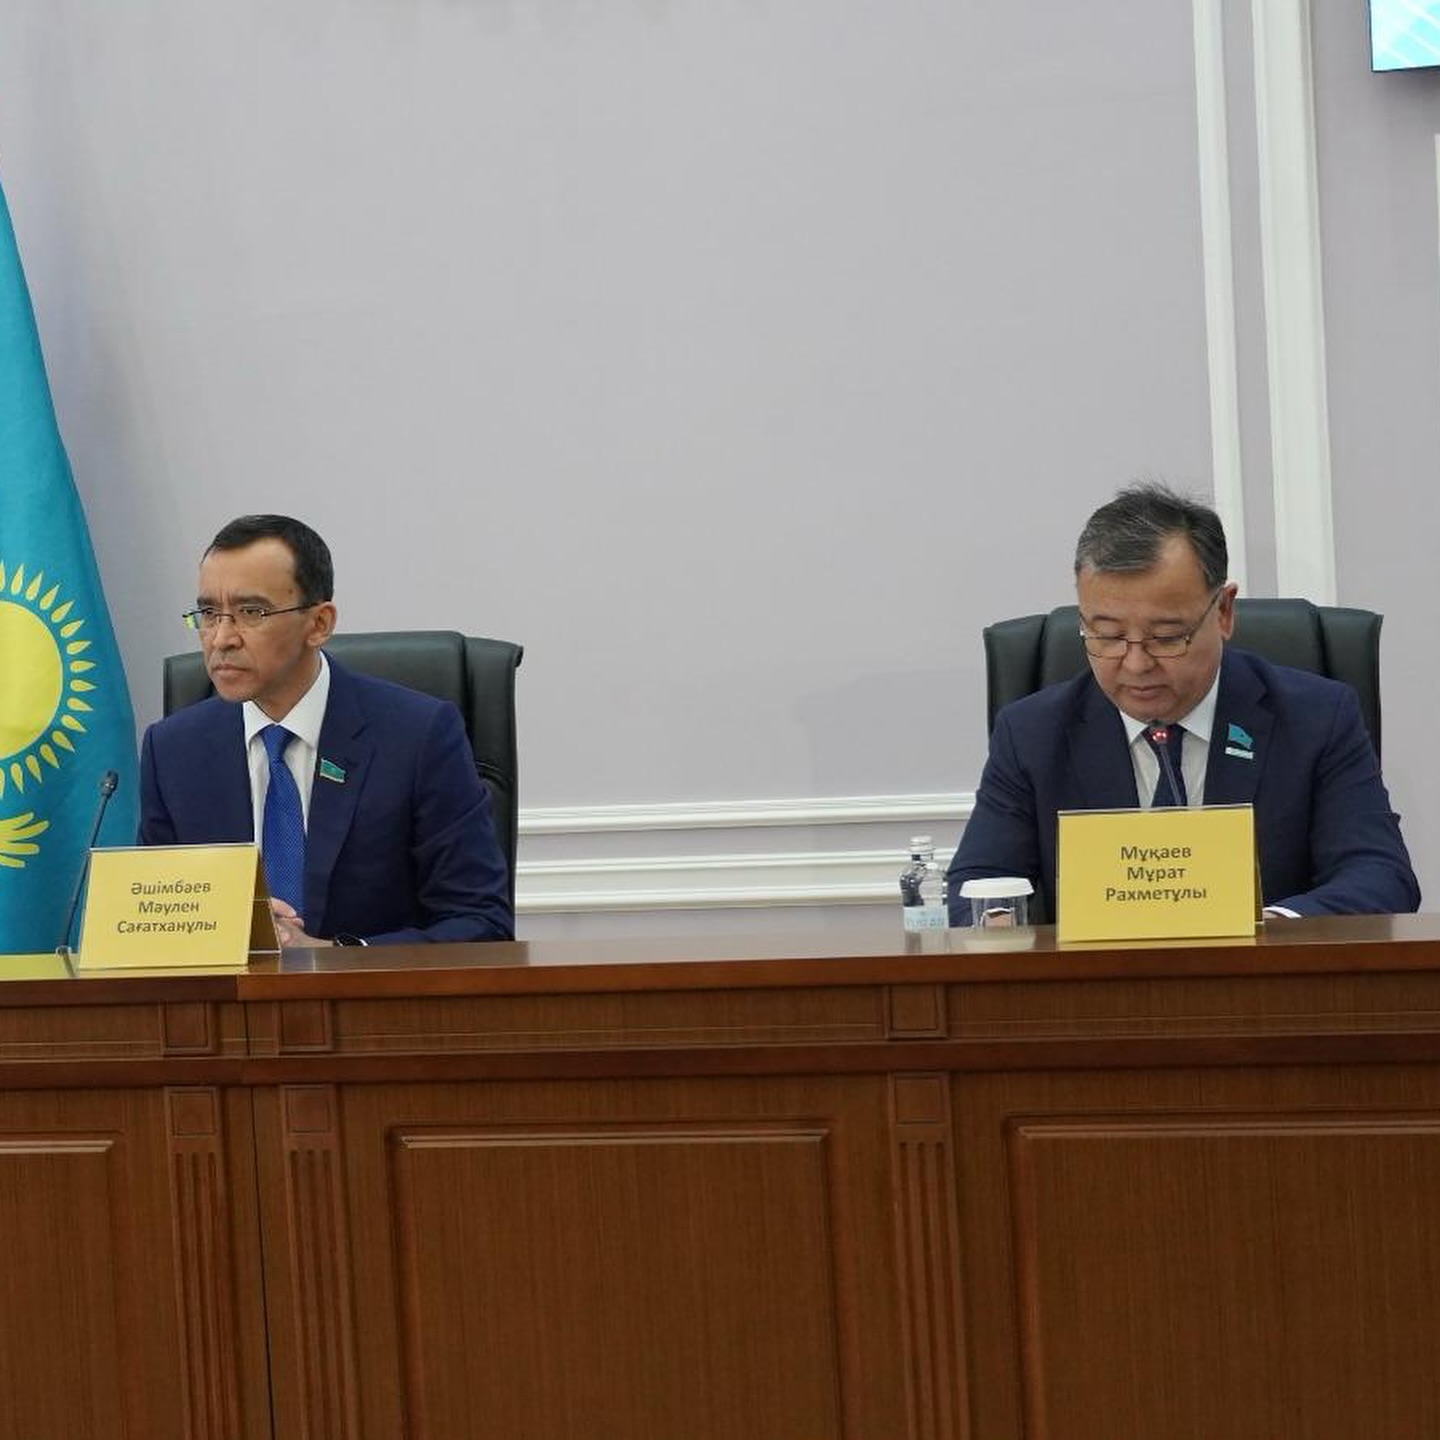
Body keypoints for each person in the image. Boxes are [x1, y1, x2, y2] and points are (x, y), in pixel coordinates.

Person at [947, 482, 1420, 923]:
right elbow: (975, 889)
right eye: (1107, 635)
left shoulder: (1316, 718)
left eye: (1167, 636)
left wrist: (1264, 935)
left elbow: (1380, 878)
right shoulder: (1032, 734)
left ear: (1224, 612)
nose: (1136, 664)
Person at [139, 515, 513, 946]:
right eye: (208, 613)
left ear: (319, 624)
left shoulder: (418, 737)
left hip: (372, 990)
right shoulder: (173, 751)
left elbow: (480, 923)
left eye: (251, 612)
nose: (221, 638)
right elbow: (154, 932)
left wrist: (334, 957)